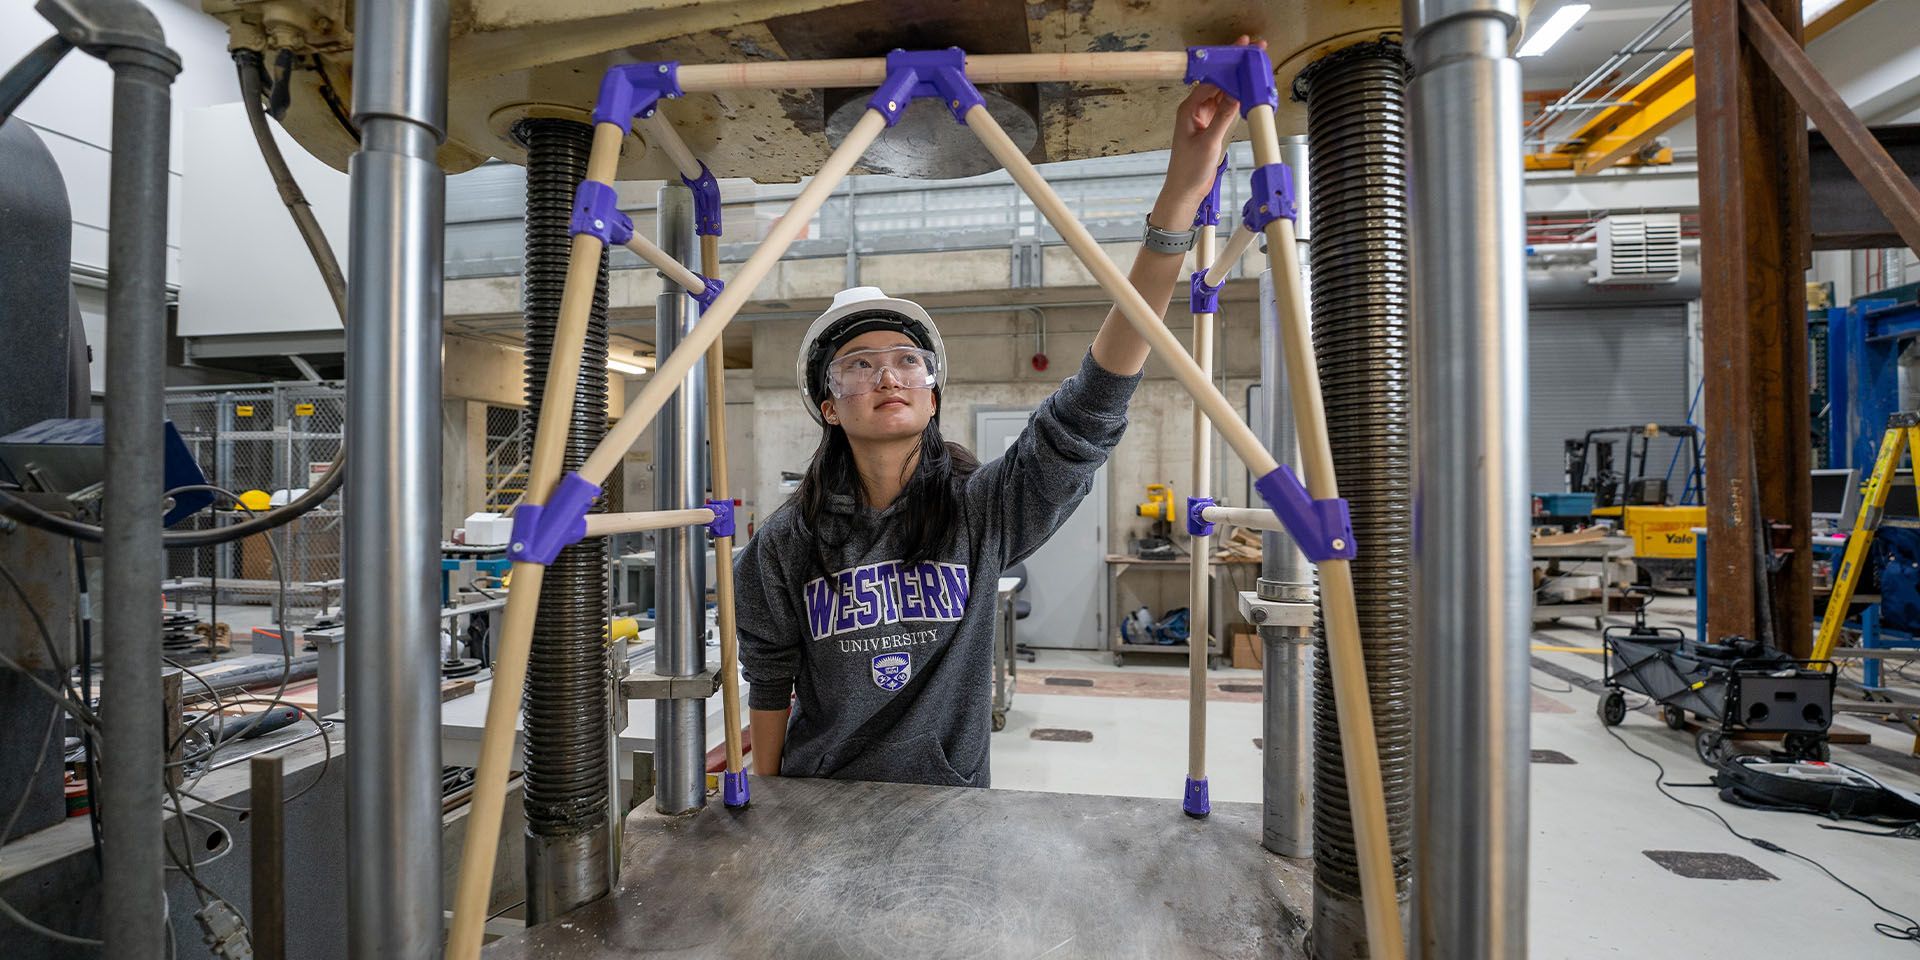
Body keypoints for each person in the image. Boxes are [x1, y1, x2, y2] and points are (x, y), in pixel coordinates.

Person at [735, 57, 1252, 787]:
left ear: (934, 394)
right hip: (821, 799)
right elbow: (768, 674)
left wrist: (1178, 201)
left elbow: (1090, 406)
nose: (887, 373)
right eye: (857, 364)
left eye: (907, 360)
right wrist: (768, 802)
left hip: (951, 811)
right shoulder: (787, 542)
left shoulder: (981, 511)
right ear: (827, 405)